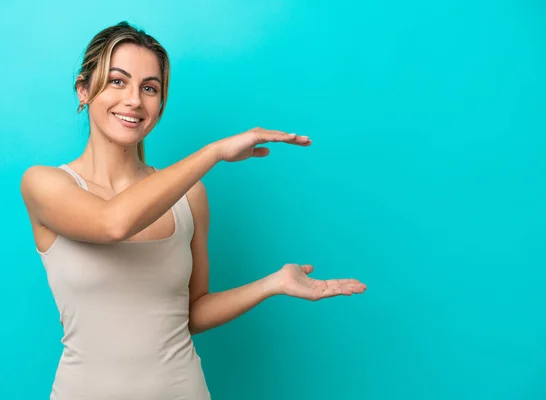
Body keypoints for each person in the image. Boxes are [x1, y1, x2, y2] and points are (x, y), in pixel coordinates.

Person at [20, 21, 367, 400]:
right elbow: (113, 222)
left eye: (149, 88)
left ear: (160, 104)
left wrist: (273, 284)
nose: (134, 100)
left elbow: (192, 312)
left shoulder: (190, 197)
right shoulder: (46, 184)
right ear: (84, 91)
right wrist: (214, 152)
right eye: (118, 81)